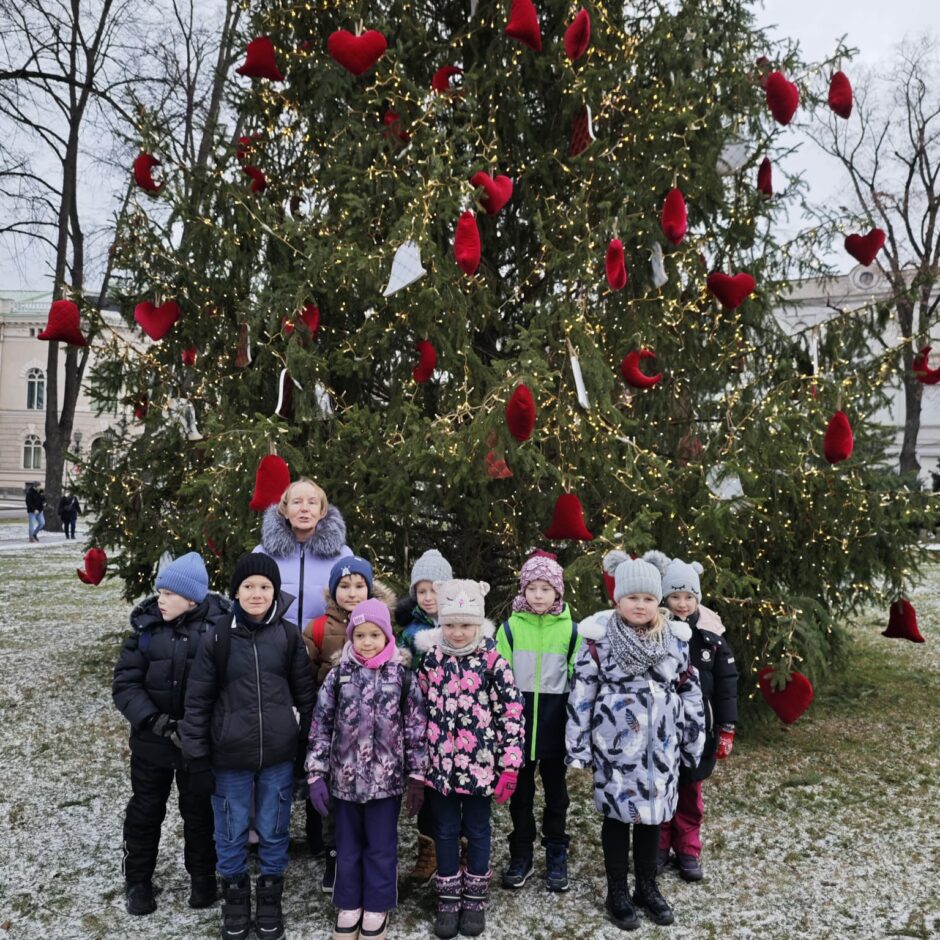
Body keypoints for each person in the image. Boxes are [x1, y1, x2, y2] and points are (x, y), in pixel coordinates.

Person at [180, 553, 316, 940]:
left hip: (277, 756)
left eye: (265, 587)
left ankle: (270, 899)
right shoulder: (218, 636)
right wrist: (199, 757)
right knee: (231, 830)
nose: (257, 594)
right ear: (236, 591)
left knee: (274, 830)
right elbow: (198, 701)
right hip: (228, 759)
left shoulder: (288, 636)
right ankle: (236, 902)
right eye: (249, 586)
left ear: (275, 592)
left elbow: (305, 697)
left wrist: (305, 746)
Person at [566, 554, 704, 930]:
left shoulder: (673, 640)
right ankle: (617, 891)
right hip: (615, 749)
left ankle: (646, 885)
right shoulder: (600, 642)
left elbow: (689, 689)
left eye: (647, 598)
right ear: (617, 600)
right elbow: (581, 694)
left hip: (660, 748)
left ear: (657, 601)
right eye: (632, 598)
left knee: (651, 820)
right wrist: (577, 747)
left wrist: (693, 737)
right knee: (616, 818)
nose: (640, 605)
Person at [112, 552, 230, 916]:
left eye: (168, 593)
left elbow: (227, 685)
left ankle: (202, 878)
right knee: (146, 810)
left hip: (197, 743)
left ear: (192, 598)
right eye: (159, 592)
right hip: (152, 743)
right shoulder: (146, 632)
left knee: (198, 811)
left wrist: (200, 726)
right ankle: (139, 881)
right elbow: (125, 684)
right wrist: (153, 721)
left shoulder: (218, 630)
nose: (160, 599)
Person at [306, 598, 427, 940]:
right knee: (347, 846)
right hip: (343, 782)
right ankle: (349, 903)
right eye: (360, 635)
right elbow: (321, 724)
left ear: (387, 636)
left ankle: (377, 904)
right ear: (351, 638)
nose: (367, 641)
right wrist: (315, 773)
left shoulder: (401, 676)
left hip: (384, 784)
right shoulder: (339, 676)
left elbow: (416, 728)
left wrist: (417, 775)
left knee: (380, 847)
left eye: (375, 634)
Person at [415, 579, 525, 940]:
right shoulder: (432, 660)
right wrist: (417, 766)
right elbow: (417, 713)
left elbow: (511, 712)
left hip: (481, 768)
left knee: (477, 830)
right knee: (445, 830)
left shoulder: (493, 661)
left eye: (465, 625)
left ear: (478, 624)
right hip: (440, 769)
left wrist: (509, 765)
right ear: (440, 625)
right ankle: (448, 895)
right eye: (450, 625)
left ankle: (474, 895)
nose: (458, 632)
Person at [643, 551, 739, 882]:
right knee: (662, 790)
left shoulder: (710, 638)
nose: (682, 604)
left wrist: (726, 726)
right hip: (662, 730)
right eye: (674, 596)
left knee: (690, 793)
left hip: (699, 732)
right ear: (664, 598)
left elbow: (727, 685)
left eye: (688, 596)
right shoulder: (655, 633)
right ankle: (659, 845)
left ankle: (688, 849)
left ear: (697, 598)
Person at [303, 555, 396, 891]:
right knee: (331, 799)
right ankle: (333, 856)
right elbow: (304, 673)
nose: (352, 592)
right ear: (333, 591)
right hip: (333, 727)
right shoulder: (318, 627)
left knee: (367, 805)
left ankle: (370, 862)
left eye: (359, 585)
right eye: (344, 586)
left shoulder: (381, 622)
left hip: (376, 732)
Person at [495, 550, 580, 892]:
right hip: (519, 732)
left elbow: (579, 681)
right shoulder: (511, 629)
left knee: (557, 796)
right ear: (523, 591)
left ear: (558, 591)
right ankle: (521, 853)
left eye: (546, 588)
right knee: (521, 796)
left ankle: (556, 852)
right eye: (533, 588)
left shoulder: (572, 631)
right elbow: (499, 680)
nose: (539, 595)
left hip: (556, 729)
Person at [395, 548, 453, 884]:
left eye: (435, 589)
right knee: (427, 786)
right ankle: (428, 848)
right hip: (421, 720)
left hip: (458, 720)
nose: (429, 597)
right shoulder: (410, 630)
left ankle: (460, 847)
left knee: (457, 787)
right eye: (422, 590)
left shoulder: (462, 620)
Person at [255, 478, 352, 627]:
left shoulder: (343, 556)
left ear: (322, 512)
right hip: (276, 644)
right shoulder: (262, 554)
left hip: (324, 644)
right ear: (285, 511)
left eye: (312, 502)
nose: (304, 508)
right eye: (297, 502)